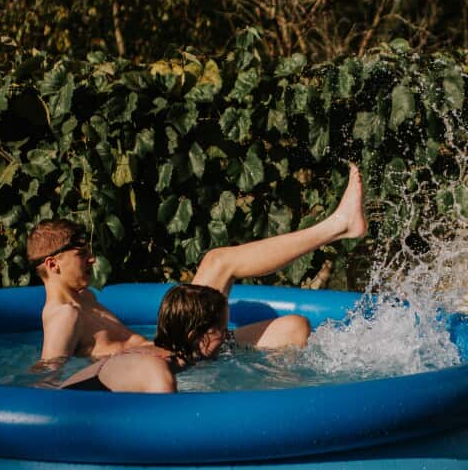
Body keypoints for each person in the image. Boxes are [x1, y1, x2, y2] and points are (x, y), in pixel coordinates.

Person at [30, 163, 366, 393]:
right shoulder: (63, 315)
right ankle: (338, 225)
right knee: (219, 261)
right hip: (169, 362)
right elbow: (47, 378)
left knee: (293, 329)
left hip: (178, 349)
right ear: (53, 264)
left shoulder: (84, 299)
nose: (91, 259)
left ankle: (341, 226)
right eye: (81, 254)